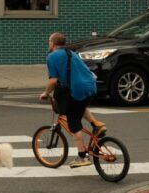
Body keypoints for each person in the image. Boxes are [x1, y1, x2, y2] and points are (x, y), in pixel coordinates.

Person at [40, 32, 106, 168]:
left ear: (52, 43)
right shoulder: (71, 53)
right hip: (91, 87)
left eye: (49, 41)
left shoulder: (52, 57)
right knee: (80, 106)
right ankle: (97, 125)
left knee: (74, 124)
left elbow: (53, 80)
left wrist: (46, 93)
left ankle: (82, 157)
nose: (48, 43)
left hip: (78, 89)